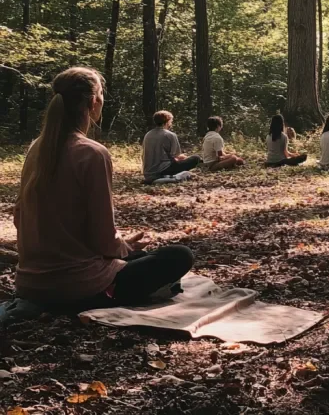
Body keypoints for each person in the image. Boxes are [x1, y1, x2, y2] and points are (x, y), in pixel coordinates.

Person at [14, 67, 194, 310]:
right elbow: (103, 238)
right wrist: (122, 247)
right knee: (179, 255)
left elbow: (18, 218)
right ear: (93, 101)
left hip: (30, 284)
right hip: (78, 286)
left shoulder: (36, 148)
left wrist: (122, 247)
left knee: (139, 256)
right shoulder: (92, 153)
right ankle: (111, 294)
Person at [142, 110, 201, 183]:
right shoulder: (170, 135)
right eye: (171, 121)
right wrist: (186, 158)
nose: (171, 124)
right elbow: (177, 156)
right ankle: (168, 177)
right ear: (167, 122)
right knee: (196, 158)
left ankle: (160, 178)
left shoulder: (148, 134)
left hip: (148, 172)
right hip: (164, 169)